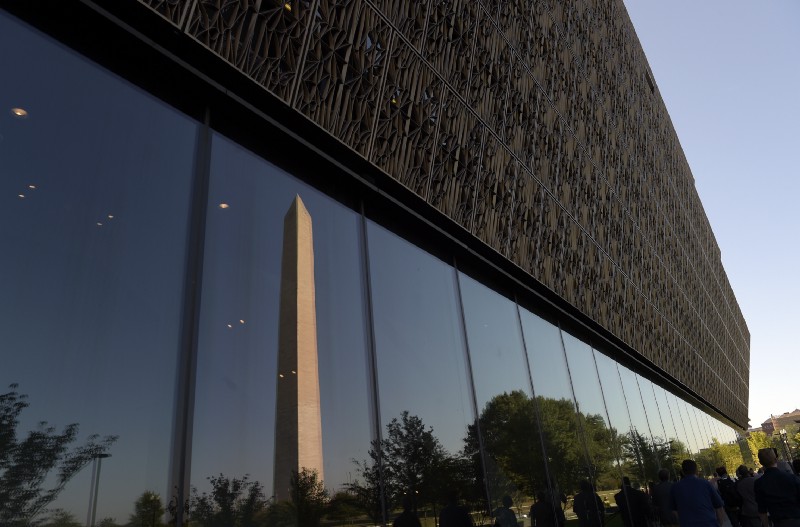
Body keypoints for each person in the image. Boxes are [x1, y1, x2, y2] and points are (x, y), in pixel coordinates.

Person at [670, 459, 726, 527]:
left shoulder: (675, 487)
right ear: (696, 471)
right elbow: (719, 506)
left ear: (682, 472)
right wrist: (720, 523)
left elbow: (674, 511)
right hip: (709, 523)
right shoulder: (705, 484)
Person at [753, 448, 800, 527]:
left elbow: (762, 510)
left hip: (779, 522)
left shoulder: (759, 483)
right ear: (776, 459)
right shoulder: (791, 478)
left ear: (761, 463)